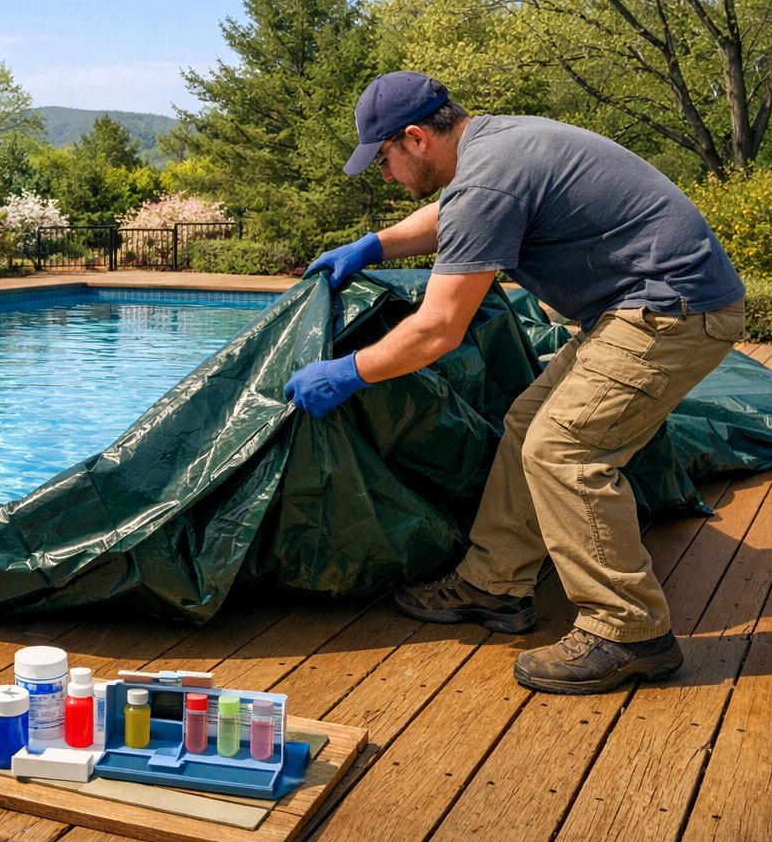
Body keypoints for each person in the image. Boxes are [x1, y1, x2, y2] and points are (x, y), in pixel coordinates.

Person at [283, 71, 745, 695]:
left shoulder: (488, 179)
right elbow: (449, 216)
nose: (384, 174)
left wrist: (348, 371)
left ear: (416, 138)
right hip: (644, 307)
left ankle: (629, 631)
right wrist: (373, 246)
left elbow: (439, 329)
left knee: (566, 449)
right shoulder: (494, 143)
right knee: (529, 424)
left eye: (384, 159)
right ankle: (494, 584)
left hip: (673, 312)